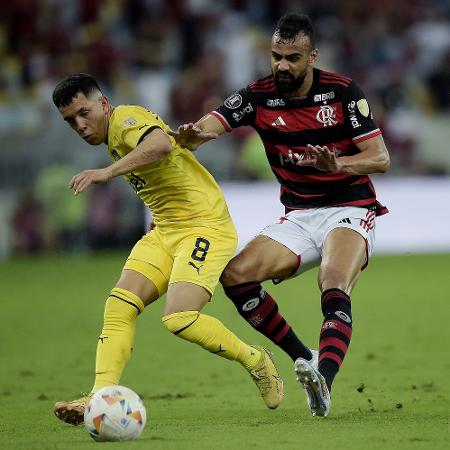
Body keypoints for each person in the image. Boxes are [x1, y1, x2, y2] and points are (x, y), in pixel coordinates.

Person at [169, 13, 390, 417]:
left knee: (333, 281)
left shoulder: (342, 92)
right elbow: (215, 121)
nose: (282, 66)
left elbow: (380, 158)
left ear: (312, 56)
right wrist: (194, 135)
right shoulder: (259, 94)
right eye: (276, 57)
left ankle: (323, 378)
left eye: (292, 58)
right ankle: (302, 355)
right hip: (300, 214)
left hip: (350, 207)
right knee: (235, 275)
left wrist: (339, 166)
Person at [51, 73, 284, 426]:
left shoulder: (126, 118)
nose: (80, 126)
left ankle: (256, 360)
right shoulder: (112, 138)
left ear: (103, 103)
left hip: (204, 226)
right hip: (166, 230)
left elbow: (159, 145)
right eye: (71, 121)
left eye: (84, 113)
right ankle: (98, 398)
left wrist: (106, 173)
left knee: (178, 318)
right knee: (119, 306)